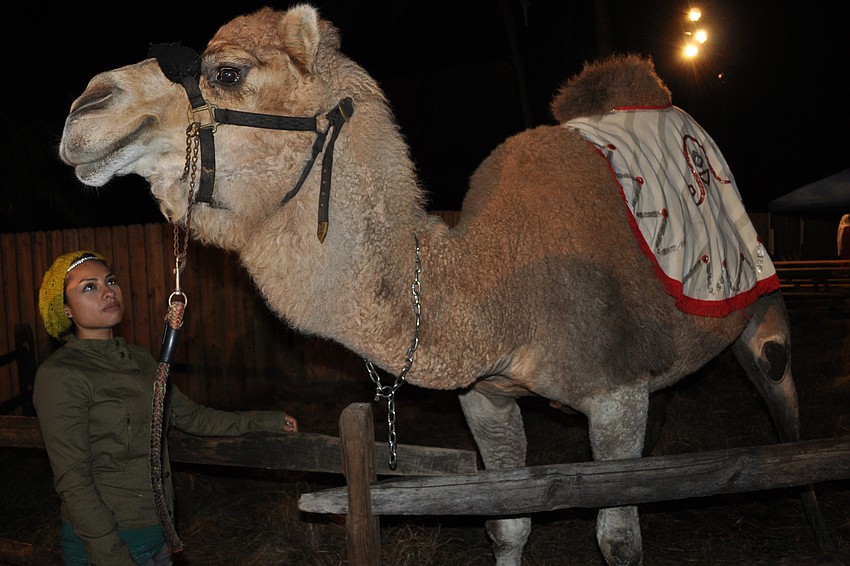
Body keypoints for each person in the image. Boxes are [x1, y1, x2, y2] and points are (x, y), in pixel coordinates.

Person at [33, 250, 299, 566]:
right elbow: (74, 481)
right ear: (65, 309)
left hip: (160, 536)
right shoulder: (61, 374)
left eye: (111, 281)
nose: (108, 291)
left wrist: (262, 421)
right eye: (88, 287)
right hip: (105, 548)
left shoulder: (142, 361)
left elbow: (191, 416)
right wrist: (113, 556)